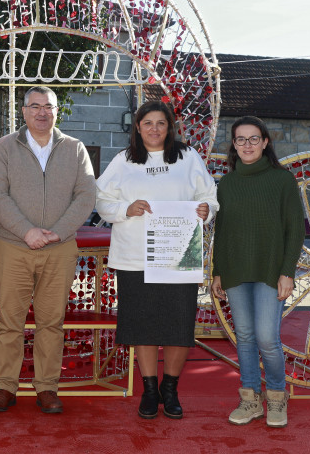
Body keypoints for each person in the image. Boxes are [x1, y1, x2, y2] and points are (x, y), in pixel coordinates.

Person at [95, 101, 218, 419]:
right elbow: (101, 198)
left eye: (160, 123)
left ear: (170, 126)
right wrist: (126, 209)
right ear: (137, 127)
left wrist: (206, 211)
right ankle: (149, 391)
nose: (154, 129)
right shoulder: (124, 160)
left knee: (179, 326)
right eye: (147, 123)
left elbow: (209, 195)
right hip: (135, 258)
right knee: (144, 326)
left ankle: (170, 389)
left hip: (179, 255)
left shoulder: (187, 157)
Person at [0, 86, 96, 414]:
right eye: (35, 106)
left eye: (48, 106)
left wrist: (57, 233)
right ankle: (5, 386)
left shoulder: (75, 149)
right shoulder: (4, 147)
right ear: (23, 111)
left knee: (51, 322)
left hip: (60, 248)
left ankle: (47, 387)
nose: (42, 112)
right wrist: (27, 231)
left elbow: (86, 195)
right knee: (9, 321)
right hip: (13, 246)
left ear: (57, 111)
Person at [210, 116, 304, 428]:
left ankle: (277, 396)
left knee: (266, 337)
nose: (247, 145)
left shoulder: (282, 180)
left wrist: (287, 272)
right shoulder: (227, 184)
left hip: (270, 270)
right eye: (240, 139)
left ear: (265, 142)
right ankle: (250, 399)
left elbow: (295, 230)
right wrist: (218, 271)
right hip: (235, 270)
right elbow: (221, 232)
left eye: (254, 139)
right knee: (245, 337)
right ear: (233, 146)